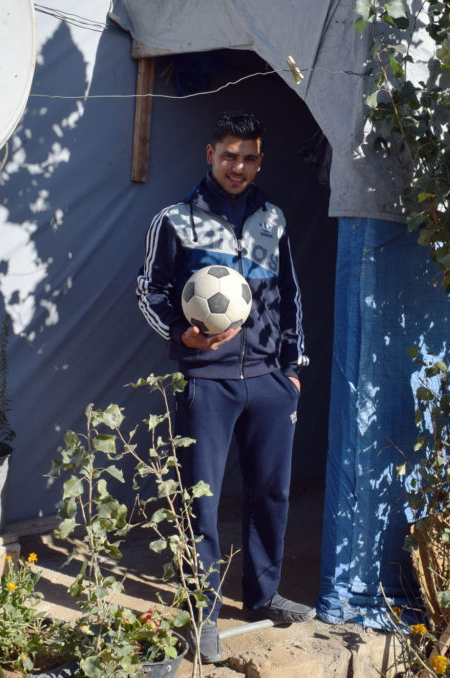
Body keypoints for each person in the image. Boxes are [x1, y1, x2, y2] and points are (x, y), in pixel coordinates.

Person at [136, 111, 313, 664]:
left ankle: (262, 596)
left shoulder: (272, 218)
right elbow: (149, 290)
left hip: (267, 379)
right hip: (207, 383)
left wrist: (293, 368)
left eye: (249, 157)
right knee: (202, 502)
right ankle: (203, 615)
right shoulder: (175, 219)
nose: (238, 166)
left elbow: (289, 293)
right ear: (209, 154)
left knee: (271, 493)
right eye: (229, 155)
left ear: (261, 160)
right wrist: (181, 334)